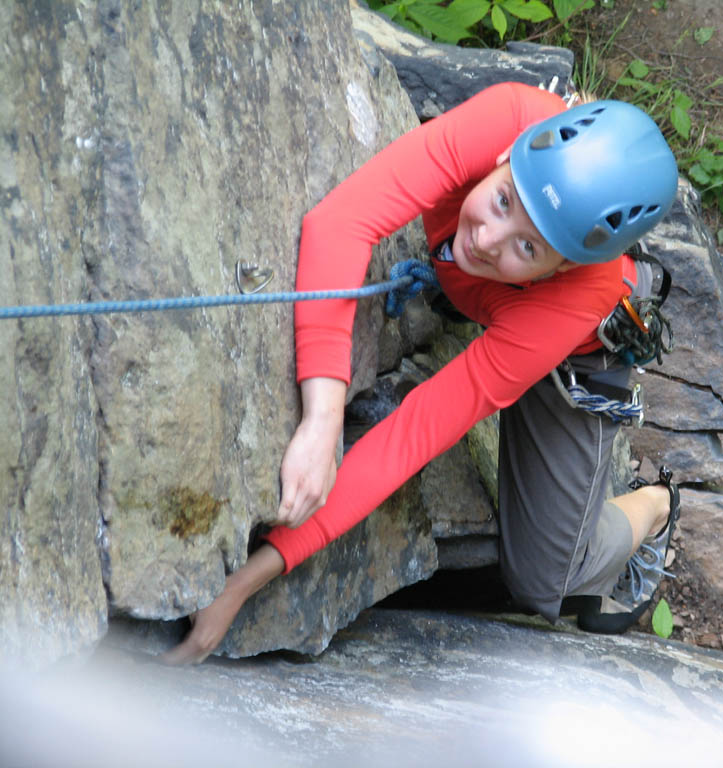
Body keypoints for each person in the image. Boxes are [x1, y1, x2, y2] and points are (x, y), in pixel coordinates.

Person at [163, 81, 682, 665]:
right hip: (509, 302)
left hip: (578, 347)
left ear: (564, 265)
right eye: (505, 200)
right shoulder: (511, 118)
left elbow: (413, 435)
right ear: (508, 154)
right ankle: (489, 279)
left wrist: (246, 581)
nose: (486, 237)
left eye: (528, 248)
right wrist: (322, 418)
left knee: (549, 582)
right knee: (478, 260)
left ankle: (657, 506)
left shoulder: (570, 299)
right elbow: (341, 223)